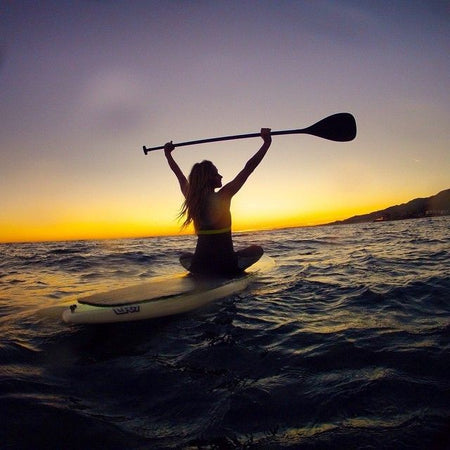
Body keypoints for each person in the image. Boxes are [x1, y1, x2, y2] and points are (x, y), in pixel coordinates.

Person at [164, 128, 272, 276]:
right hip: (227, 265)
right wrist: (266, 143)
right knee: (257, 250)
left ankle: (201, 267)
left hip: (199, 265)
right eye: (217, 173)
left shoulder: (191, 197)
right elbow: (249, 167)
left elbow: (179, 175)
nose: (221, 176)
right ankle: (232, 265)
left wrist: (167, 154)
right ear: (209, 178)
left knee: (184, 257)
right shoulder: (224, 196)